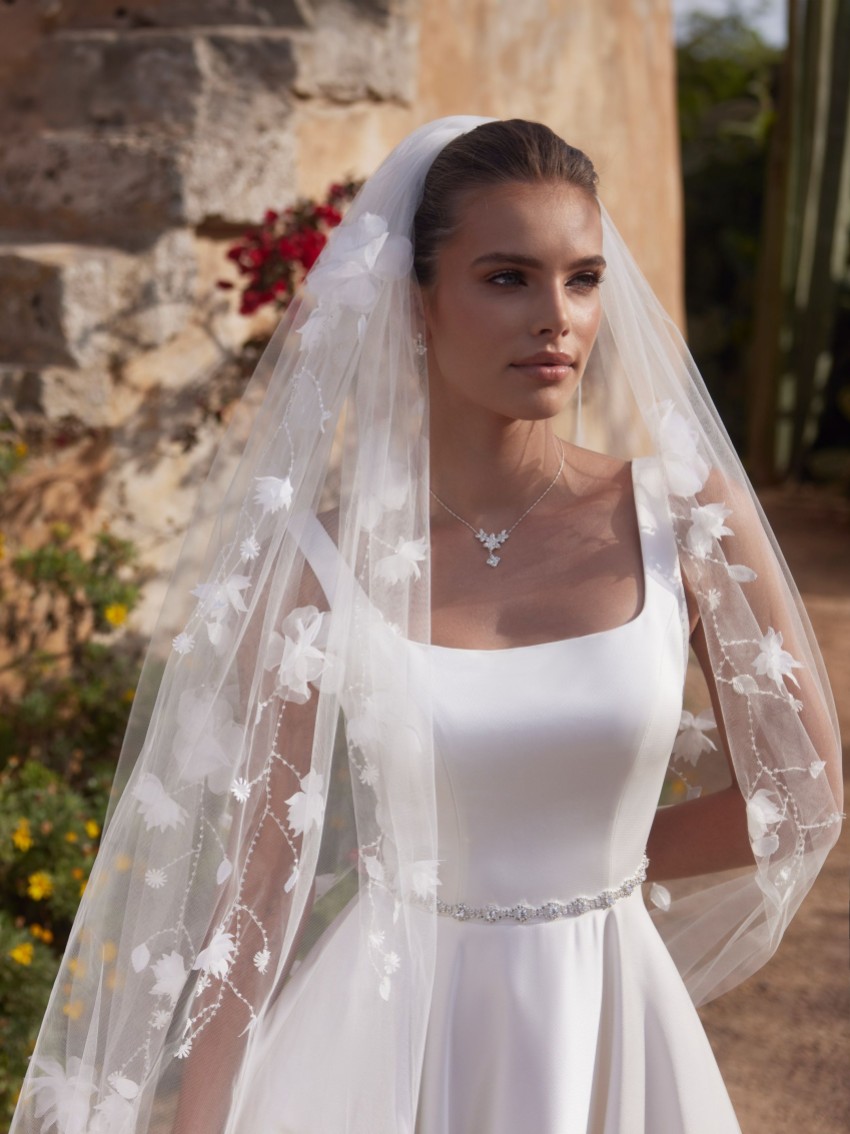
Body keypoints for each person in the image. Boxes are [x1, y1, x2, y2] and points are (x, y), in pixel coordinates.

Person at [11, 117, 842, 1134]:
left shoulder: (683, 515)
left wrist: (593, 869)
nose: (558, 318)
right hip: (381, 1042)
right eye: (506, 278)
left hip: (607, 1028)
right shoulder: (317, 570)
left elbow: (801, 796)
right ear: (416, 305)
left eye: (581, 278)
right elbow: (253, 911)